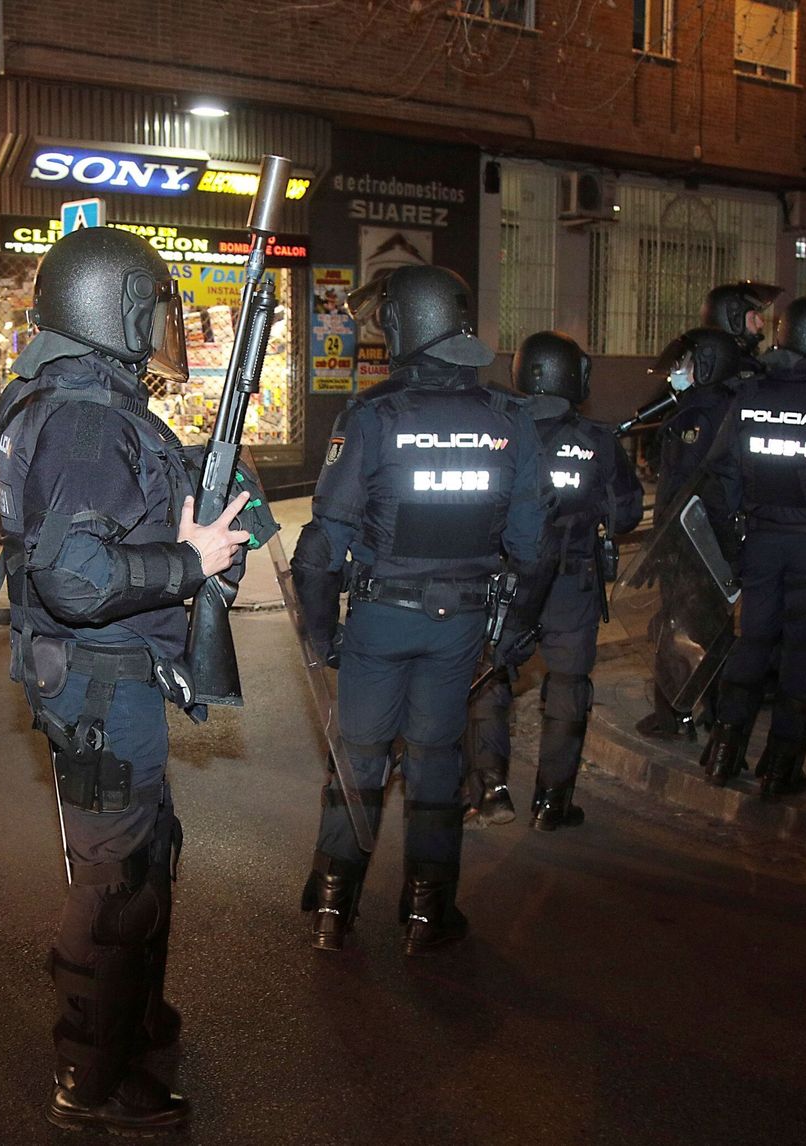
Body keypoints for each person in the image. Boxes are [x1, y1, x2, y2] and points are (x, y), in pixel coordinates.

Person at [0, 226, 251, 1135]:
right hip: (101, 693)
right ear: (124, 308)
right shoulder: (90, 417)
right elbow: (76, 578)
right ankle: (92, 1076)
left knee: (141, 860)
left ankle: (131, 1021)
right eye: (156, 308)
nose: (161, 328)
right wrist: (189, 563)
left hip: (106, 684)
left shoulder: (72, 400)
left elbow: (94, 538)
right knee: (113, 890)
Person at [291, 265, 550, 954]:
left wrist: (323, 638)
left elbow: (319, 552)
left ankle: (332, 906)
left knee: (360, 758)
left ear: (404, 325)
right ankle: (428, 913)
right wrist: (517, 635)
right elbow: (534, 549)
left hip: (379, 622)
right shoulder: (510, 418)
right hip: (461, 628)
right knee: (437, 762)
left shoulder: (373, 416)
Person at [464, 332, 642, 829]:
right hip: (572, 587)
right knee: (568, 686)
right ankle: (552, 802)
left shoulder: (497, 429)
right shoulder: (599, 440)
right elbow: (627, 515)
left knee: (489, 681)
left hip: (506, 586)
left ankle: (490, 790)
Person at [701, 296, 806, 797]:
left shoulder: (748, 396)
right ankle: (780, 767)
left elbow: (722, 477)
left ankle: (723, 754)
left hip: (760, 543)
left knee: (752, 644)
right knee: (803, 654)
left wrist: (735, 546)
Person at [633, 328, 744, 739]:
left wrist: (661, 541)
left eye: (684, 366)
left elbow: (687, 484)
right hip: (702, 538)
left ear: (707, 366)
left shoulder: (702, 414)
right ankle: (705, 717)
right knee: (701, 627)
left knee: (690, 627)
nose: (675, 373)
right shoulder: (714, 406)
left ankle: (683, 717)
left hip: (694, 540)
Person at [702, 282, 782, 377]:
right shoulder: (732, 370)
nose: (761, 324)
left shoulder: (708, 364)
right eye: (753, 317)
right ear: (734, 321)